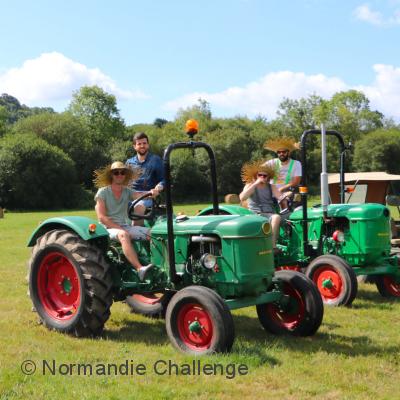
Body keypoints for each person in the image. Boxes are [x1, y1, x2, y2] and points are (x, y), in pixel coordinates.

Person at [94, 161, 155, 281]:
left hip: (124, 226)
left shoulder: (127, 191)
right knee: (123, 235)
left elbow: (139, 195)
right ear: (111, 175)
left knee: (153, 233)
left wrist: (151, 193)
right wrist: (121, 229)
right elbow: (102, 217)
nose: (119, 175)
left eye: (122, 173)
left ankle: (158, 266)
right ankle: (140, 269)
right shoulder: (103, 192)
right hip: (107, 228)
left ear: (125, 175)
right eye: (116, 173)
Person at [239, 161, 283, 250]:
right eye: (260, 175)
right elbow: (242, 197)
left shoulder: (272, 187)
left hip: (269, 213)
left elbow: (280, 197)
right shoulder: (250, 185)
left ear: (268, 177)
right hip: (254, 214)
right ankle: (272, 246)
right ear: (256, 176)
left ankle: (272, 245)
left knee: (277, 217)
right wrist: (255, 184)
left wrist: (286, 195)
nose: (262, 177)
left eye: (264, 176)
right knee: (276, 217)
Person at [126, 132, 164, 225]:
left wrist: (158, 188)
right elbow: (124, 182)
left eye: (144, 143)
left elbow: (164, 179)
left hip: (148, 197)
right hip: (130, 196)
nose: (142, 146)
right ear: (134, 146)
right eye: (139, 144)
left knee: (138, 206)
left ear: (148, 145)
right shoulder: (129, 163)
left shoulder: (156, 160)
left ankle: (138, 237)